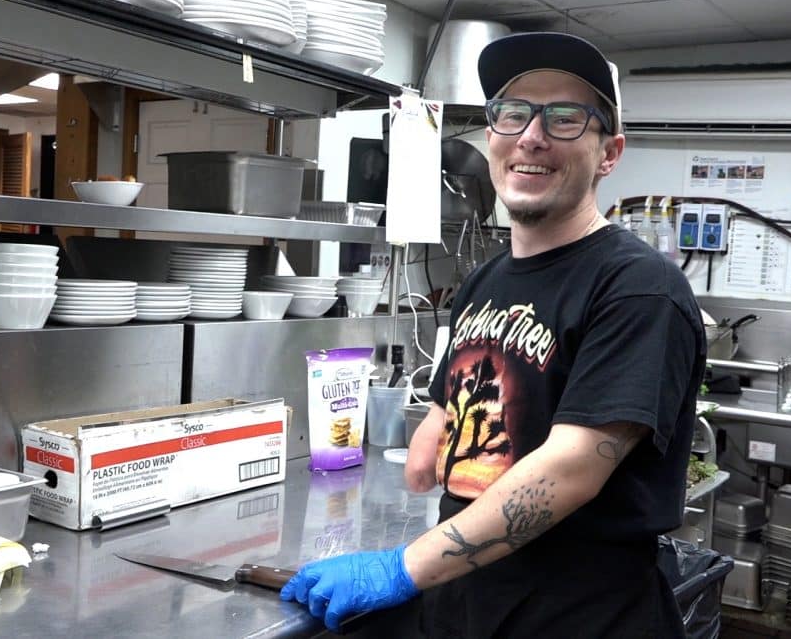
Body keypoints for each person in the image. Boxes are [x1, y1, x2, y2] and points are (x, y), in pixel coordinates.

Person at [280, 32, 705, 638]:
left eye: (564, 119)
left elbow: (572, 468)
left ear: (609, 154)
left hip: (578, 619)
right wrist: (431, 438)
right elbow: (441, 424)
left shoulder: (639, 286)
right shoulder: (485, 278)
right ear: (492, 136)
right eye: (513, 114)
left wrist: (404, 564)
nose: (531, 136)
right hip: (469, 602)